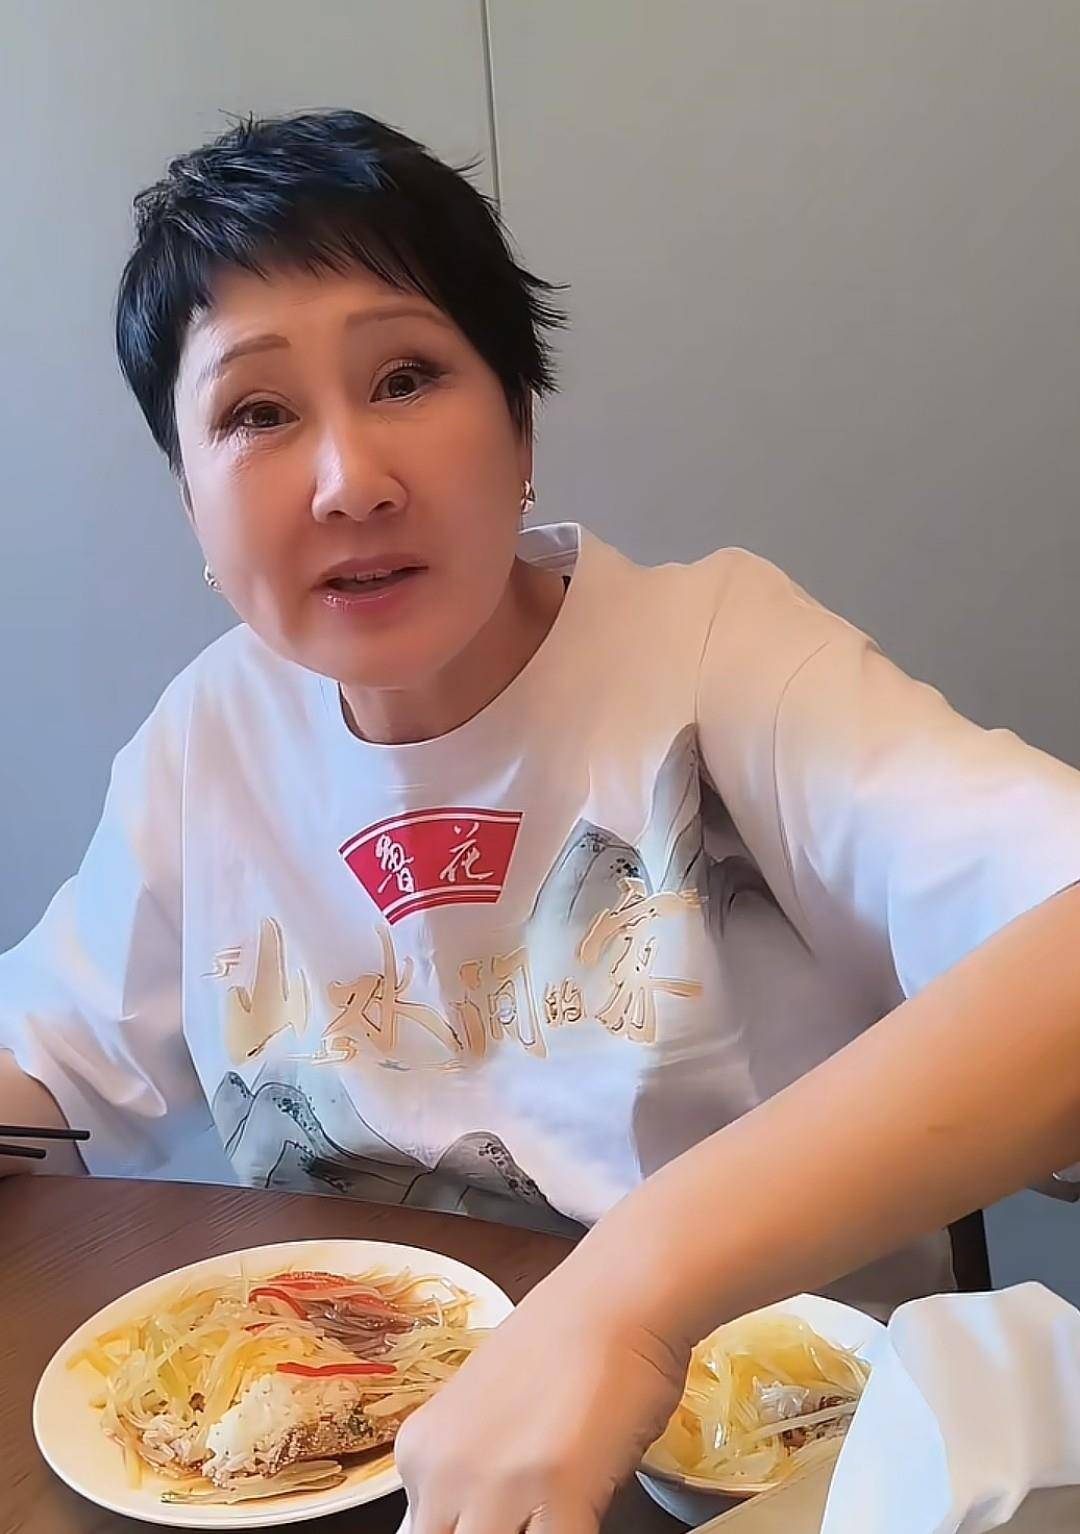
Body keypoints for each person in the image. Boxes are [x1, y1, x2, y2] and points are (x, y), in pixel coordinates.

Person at [1, 109, 1078, 1534]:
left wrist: (627, 1299)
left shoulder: (716, 657)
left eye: (405, 377)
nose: (350, 480)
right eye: (257, 413)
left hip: (770, 1472)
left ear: (520, 421)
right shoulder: (210, 740)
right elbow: (42, 1064)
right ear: (190, 495)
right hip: (353, 1470)